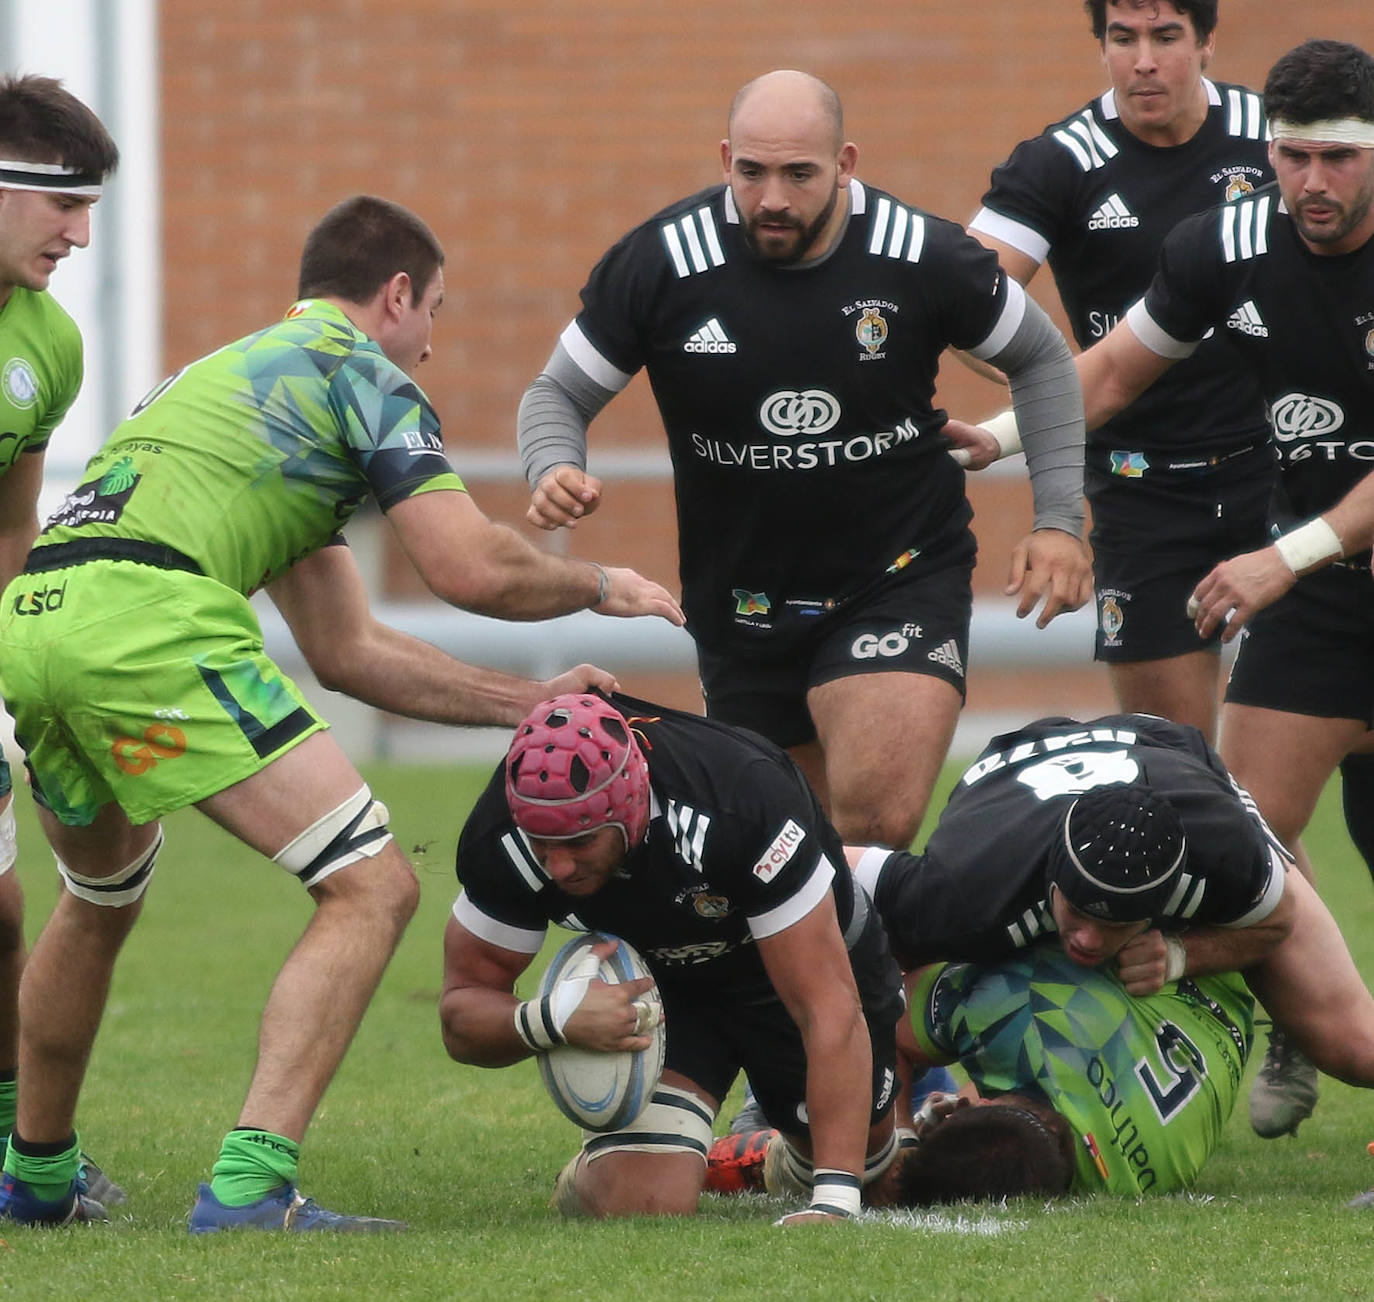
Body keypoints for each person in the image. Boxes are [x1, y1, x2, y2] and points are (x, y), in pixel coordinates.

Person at [0, 195, 683, 1230]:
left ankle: (36, 1178)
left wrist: (527, 701)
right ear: (395, 295)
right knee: (373, 887)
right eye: (435, 314)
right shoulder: (360, 374)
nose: (431, 345)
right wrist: (597, 583)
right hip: (148, 622)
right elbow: (464, 565)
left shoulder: (233, 385)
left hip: (39, 617)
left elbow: (347, 652)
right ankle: (248, 1189)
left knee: (97, 901)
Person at [956, 38, 1374, 1141]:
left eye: (1338, 159)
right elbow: (1110, 369)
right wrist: (995, 439)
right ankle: (1238, 1037)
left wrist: (1284, 555)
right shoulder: (1227, 241)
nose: (1313, 185)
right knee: (1241, 838)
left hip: (1306, 560)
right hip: (1328, 599)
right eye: (1293, 158)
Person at [516, 68, 1091, 852]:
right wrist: (552, 464)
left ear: (846, 163)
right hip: (742, 601)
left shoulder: (920, 254)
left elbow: (1044, 359)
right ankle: (867, 968)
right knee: (784, 850)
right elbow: (556, 395)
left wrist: (1058, 518)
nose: (773, 198)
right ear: (725, 159)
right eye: (752, 173)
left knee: (874, 821)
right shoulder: (663, 261)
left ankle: (887, 970)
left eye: (800, 174)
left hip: (896, 574)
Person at [440, 691, 905, 1225]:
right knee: (641, 1204)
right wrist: (551, 1019)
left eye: (581, 843)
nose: (560, 867)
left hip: (785, 973)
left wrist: (834, 1201)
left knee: (873, 1179)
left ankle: (769, 1156)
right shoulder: (504, 836)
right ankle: (605, 1170)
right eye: (544, 845)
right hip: (661, 994)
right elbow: (461, 1014)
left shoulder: (741, 796)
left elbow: (826, 1005)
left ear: (630, 804)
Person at [852, 712, 1374, 1174]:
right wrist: (890, 1142)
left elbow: (1277, 922)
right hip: (1014, 771)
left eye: (1118, 925)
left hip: (1164, 752)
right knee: (881, 967)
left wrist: (1181, 953)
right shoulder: (964, 892)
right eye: (1076, 913)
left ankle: (1290, 1028)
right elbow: (825, 872)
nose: (1087, 940)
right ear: (1051, 882)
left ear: (1166, 903)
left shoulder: (1223, 856)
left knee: (1354, 1046)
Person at [967, 0, 1274, 743]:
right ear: (1101, 45)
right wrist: (1052, 384)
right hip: (1143, 491)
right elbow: (962, 307)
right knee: (1180, 763)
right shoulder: (1061, 160)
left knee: (1282, 754)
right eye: (1123, 38)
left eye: (1166, 37)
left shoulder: (1273, 139)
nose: (1143, 60)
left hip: (1279, 474)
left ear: (1205, 42)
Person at [713, 945, 1254, 1203]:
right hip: (1229, 943)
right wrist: (897, 1136)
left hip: (1223, 993)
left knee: (849, 1164)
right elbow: (883, 1011)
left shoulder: (1146, 1176)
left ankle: (767, 1138)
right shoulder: (1015, 1010)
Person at [0, 73, 122, 1205]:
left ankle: (12, 1148)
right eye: (62, 205)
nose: (81, 236)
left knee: (1, 913)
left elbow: (12, 521)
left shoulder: (50, 343)